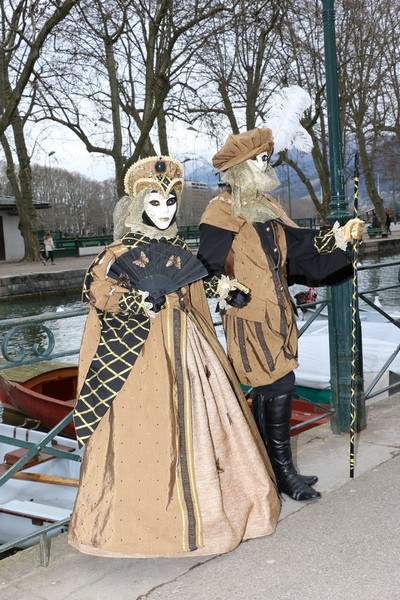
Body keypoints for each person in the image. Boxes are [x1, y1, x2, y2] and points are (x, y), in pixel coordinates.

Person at [68, 155, 281, 558]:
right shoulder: (117, 253)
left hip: (189, 350)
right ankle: (146, 532)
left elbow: (195, 286)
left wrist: (224, 291)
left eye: (170, 203)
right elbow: (96, 293)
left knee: (205, 427)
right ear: (138, 206)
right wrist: (135, 302)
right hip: (136, 358)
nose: (164, 212)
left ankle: (217, 521)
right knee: (145, 437)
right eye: (155, 203)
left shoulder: (181, 249)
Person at [197, 128, 364, 502]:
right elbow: (206, 267)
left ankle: (274, 469)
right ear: (239, 168)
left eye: (266, 157)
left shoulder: (268, 207)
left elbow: (302, 246)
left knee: (276, 385)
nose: (265, 164)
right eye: (259, 159)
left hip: (279, 311)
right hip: (249, 318)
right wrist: (224, 289)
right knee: (277, 385)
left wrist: (340, 237)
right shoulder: (220, 212)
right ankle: (282, 473)